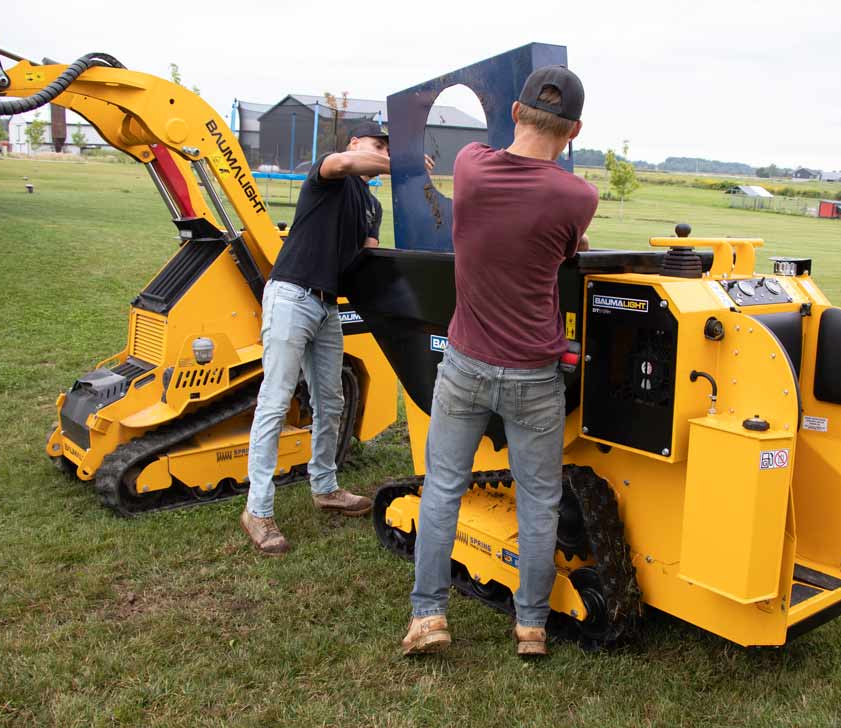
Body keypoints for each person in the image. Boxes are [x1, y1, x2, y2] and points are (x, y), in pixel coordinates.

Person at [402, 66, 598, 657]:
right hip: (535, 376)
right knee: (539, 501)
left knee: (441, 491)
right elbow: (567, 249)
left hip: (464, 367)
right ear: (576, 130)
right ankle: (531, 627)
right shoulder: (579, 197)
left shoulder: (470, 167)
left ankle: (429, 617)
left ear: (515, 113)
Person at [241, 121, 429, 556]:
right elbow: (345, 164)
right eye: (377, 144)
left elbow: (364, 262)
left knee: (332, 400)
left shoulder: (372, 207)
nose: (383, 151)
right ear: (355, 143)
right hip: (291, 294)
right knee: (276, 398)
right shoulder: (329, 170)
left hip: (328, 306)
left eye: (390, 146)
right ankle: (258, 509)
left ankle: (324, 486)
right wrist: (404, 162)